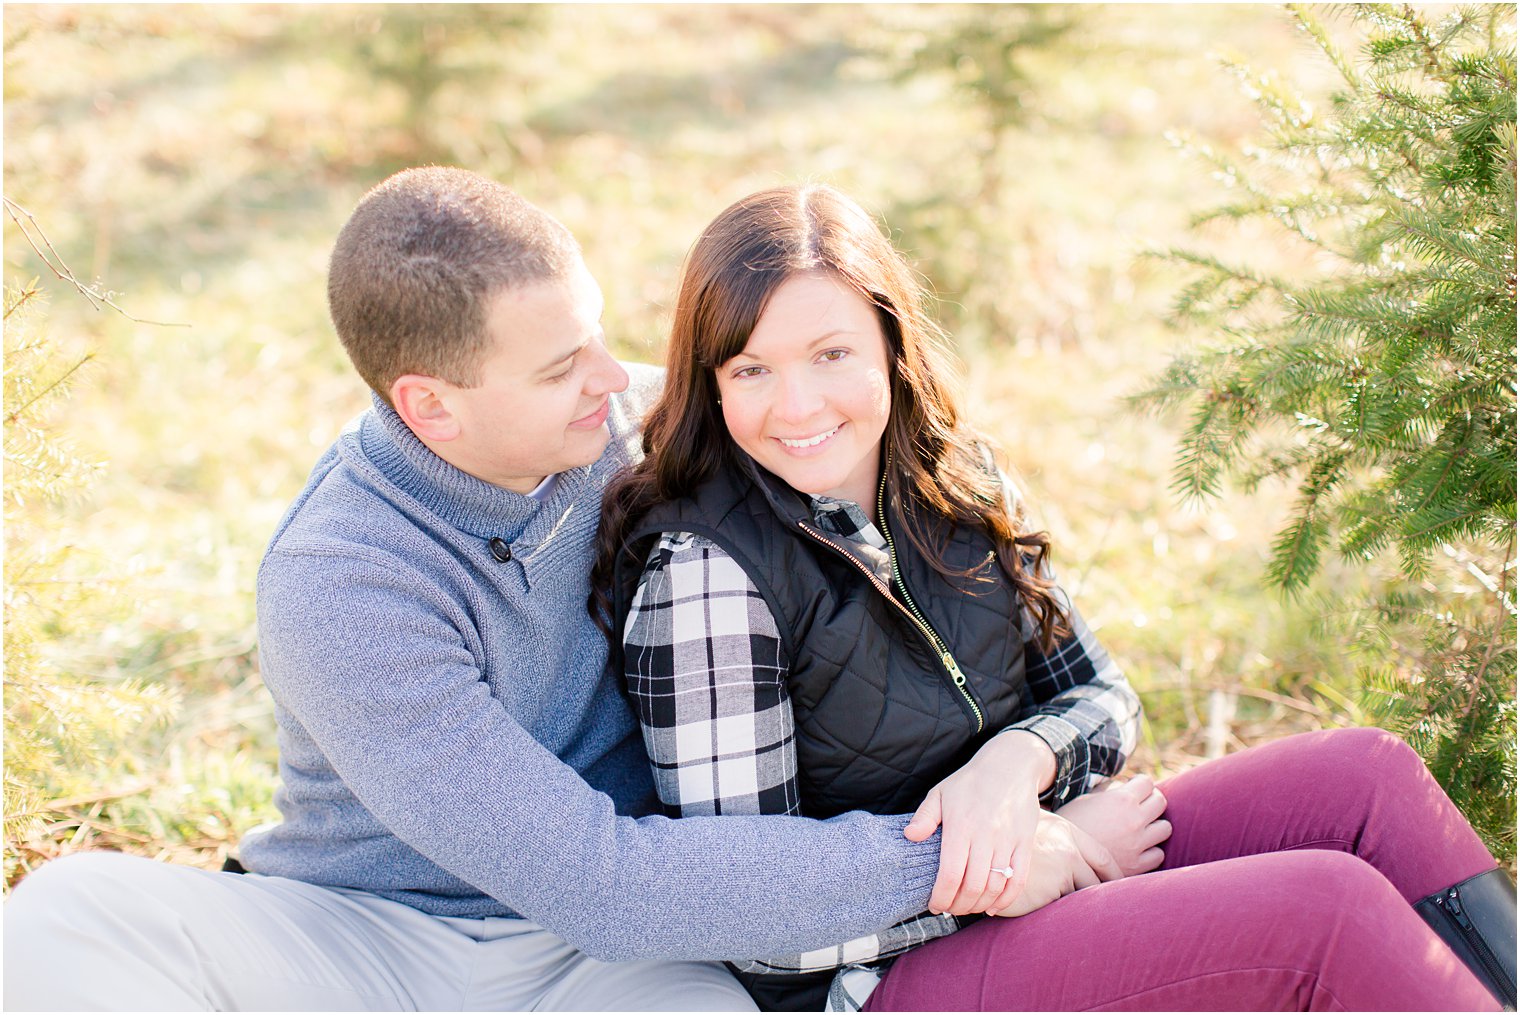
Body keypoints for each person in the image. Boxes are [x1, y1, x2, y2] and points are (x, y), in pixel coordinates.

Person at [3, 167, 972, 1012]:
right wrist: (958, 862)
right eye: (560, 370)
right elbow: (597, 878)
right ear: (431, 406)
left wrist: (1013, 778)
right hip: (367, 937)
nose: (610, 378)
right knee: (61, 921)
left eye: (593, 337)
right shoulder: (341, 582)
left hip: (602, 962)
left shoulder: (644, 426)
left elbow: (917, 491)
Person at [593, 182, 1517, 1012]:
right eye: (750, 369)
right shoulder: (705, 575)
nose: (796, 406)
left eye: (831, 352)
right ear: (711, 383)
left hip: (1031, 868)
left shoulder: (953, 478)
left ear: (889, 339)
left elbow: (1105, 697)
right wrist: (1034, 860)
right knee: (1322, 912)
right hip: (876, 981)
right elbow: (757, 921)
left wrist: (1018, 769)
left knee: (1365, 777)